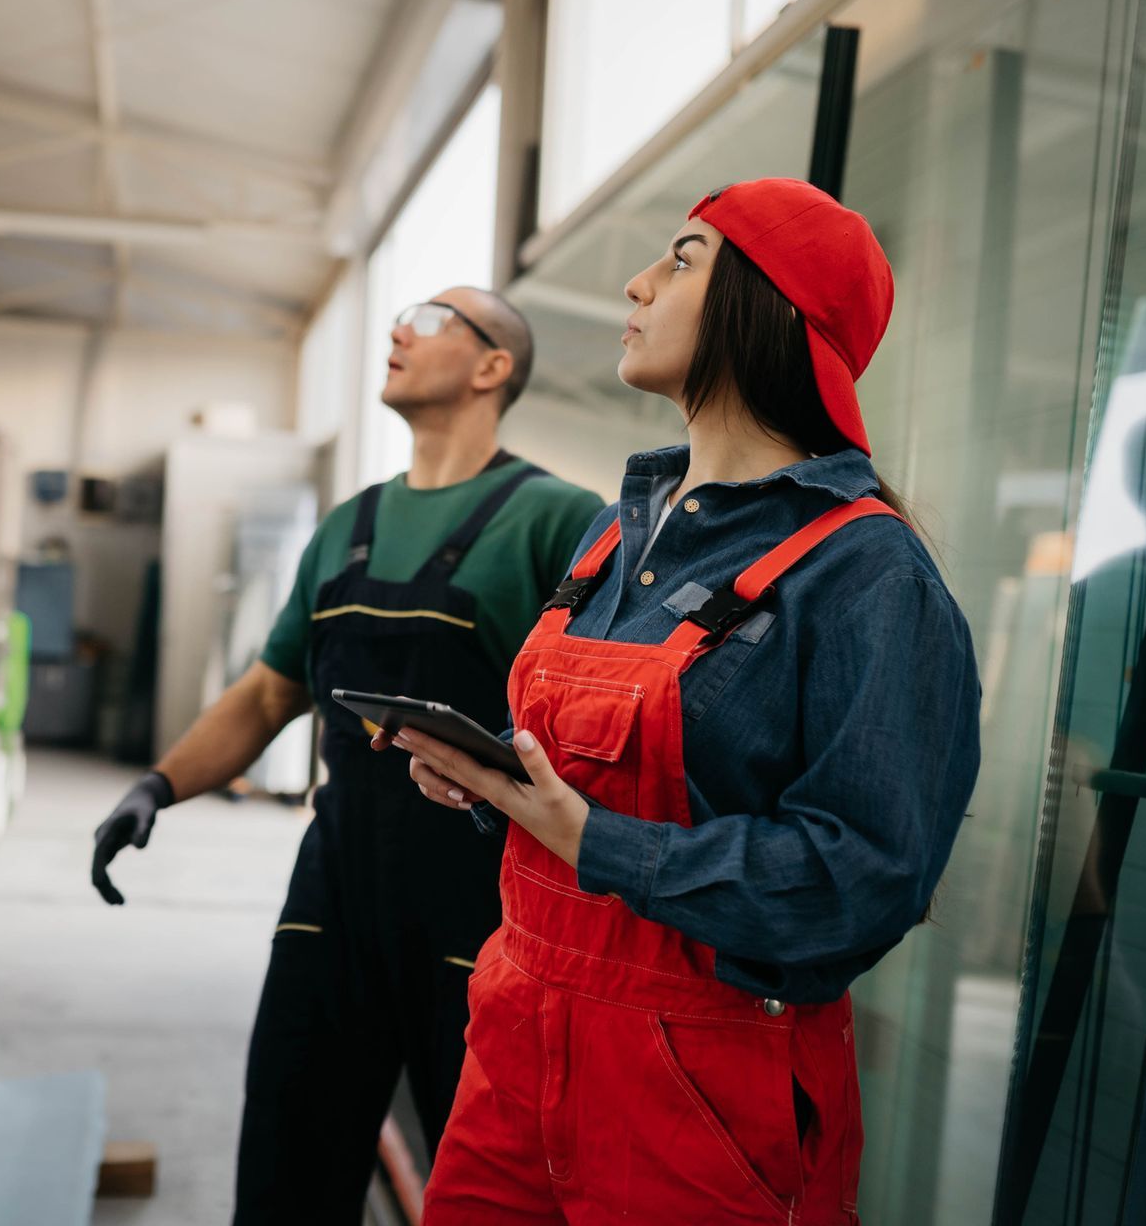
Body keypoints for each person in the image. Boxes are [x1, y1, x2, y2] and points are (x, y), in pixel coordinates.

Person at [388, 179, 982, 1223]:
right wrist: (500, 787)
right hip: (517, 1035)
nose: (637, 281)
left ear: (771, 306)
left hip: (700, 1088)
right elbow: (602, 789)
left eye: (683, 257)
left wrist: (603, 844)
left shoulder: (867, 574)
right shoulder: (616, 535)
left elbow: (867, 876)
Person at [89, 286, 603, 1225]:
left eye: (435, 320)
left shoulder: (562, 523)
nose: (400, 329)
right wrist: (157, 786)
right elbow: (267, 693)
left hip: (485, 917)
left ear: (494, 368)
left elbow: (601, 728)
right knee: (288, 1168)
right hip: (333, 899)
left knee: (485, 1189)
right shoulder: (346, 527)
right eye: (403, 314)